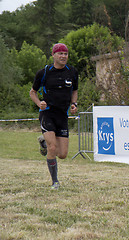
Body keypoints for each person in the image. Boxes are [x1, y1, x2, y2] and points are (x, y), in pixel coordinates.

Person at [30, 43, 78, 190]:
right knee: (52, 147)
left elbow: (74, 90)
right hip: (48, 113)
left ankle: (43, 142)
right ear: (53, 55)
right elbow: (32, 92)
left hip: (62, 115)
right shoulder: (44, 72)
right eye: (60, 53)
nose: (63, 56)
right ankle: (55, 182)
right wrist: (39, 104)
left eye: (65, 53)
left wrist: (74, 104)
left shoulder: (72, 72)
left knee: (62, 154)